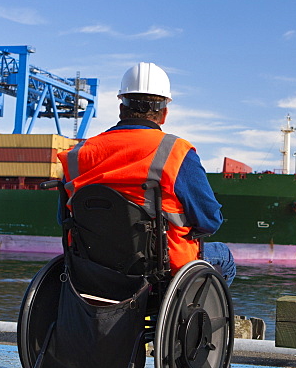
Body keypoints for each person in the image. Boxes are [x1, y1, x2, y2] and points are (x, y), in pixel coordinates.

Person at [59, 62, 236, 285]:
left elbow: (63, 219)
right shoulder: (177, 152)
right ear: (164, 113)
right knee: (223, 256)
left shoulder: (76, 155)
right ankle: (208, 317)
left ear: (121, 108)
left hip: (90, 265)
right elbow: (210, 222)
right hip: (160, 269)